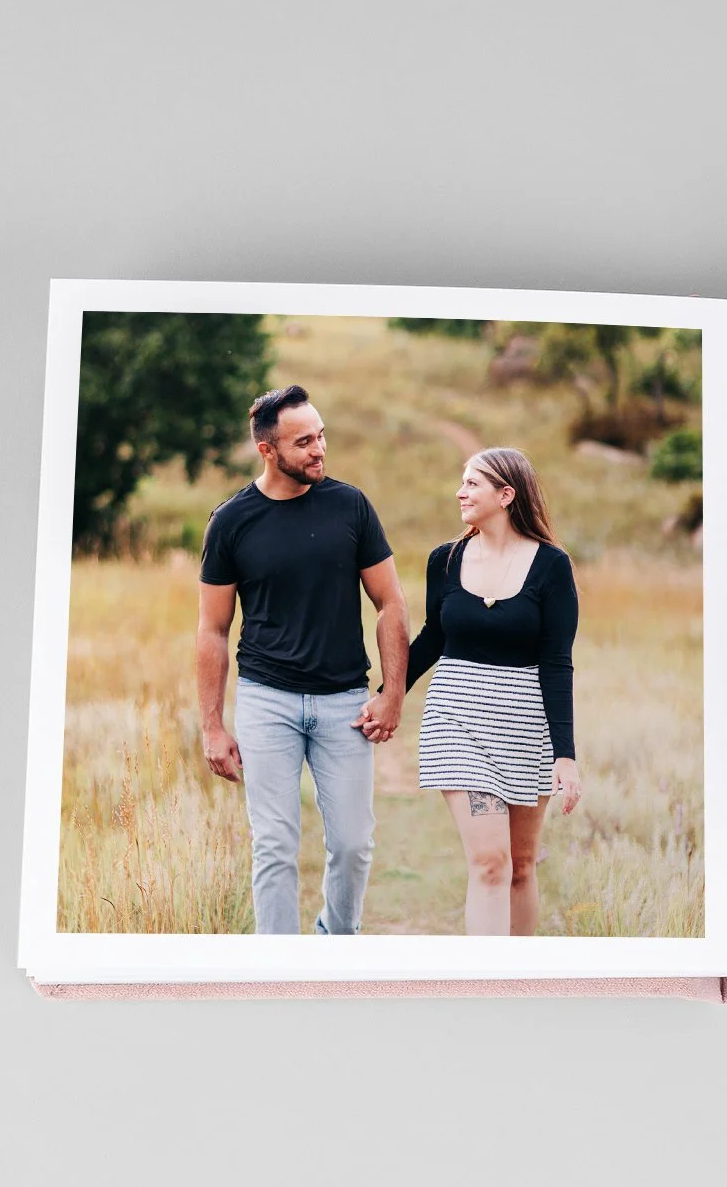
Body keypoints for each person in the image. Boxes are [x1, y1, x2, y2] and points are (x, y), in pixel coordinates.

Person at [196, 384, 409, 934]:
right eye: (304, 441)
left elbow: (390, 603)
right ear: (268, 450)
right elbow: (213, 630)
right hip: (267, 701)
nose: (319, 449)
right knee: (273, 843)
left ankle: (336, 946)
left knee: (353, 844)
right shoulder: (231, 522)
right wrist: (213, 726)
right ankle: (278, 968)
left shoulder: (351, 505)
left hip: (345, 703)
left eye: (321, 436)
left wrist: (392, 693)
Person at [401, 447, 582, 936]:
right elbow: (431, 638)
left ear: (506, 494)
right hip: (456, 720)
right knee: (490, 863)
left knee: (521, 867)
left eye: (473, 483)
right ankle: (485, 984)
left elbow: (557, 662)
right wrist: (389, 693)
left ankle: (523, 986)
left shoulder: (551, 566)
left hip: (526, 727)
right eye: (461, 482)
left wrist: (563, 755)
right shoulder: (445, 560)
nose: (460, 492)